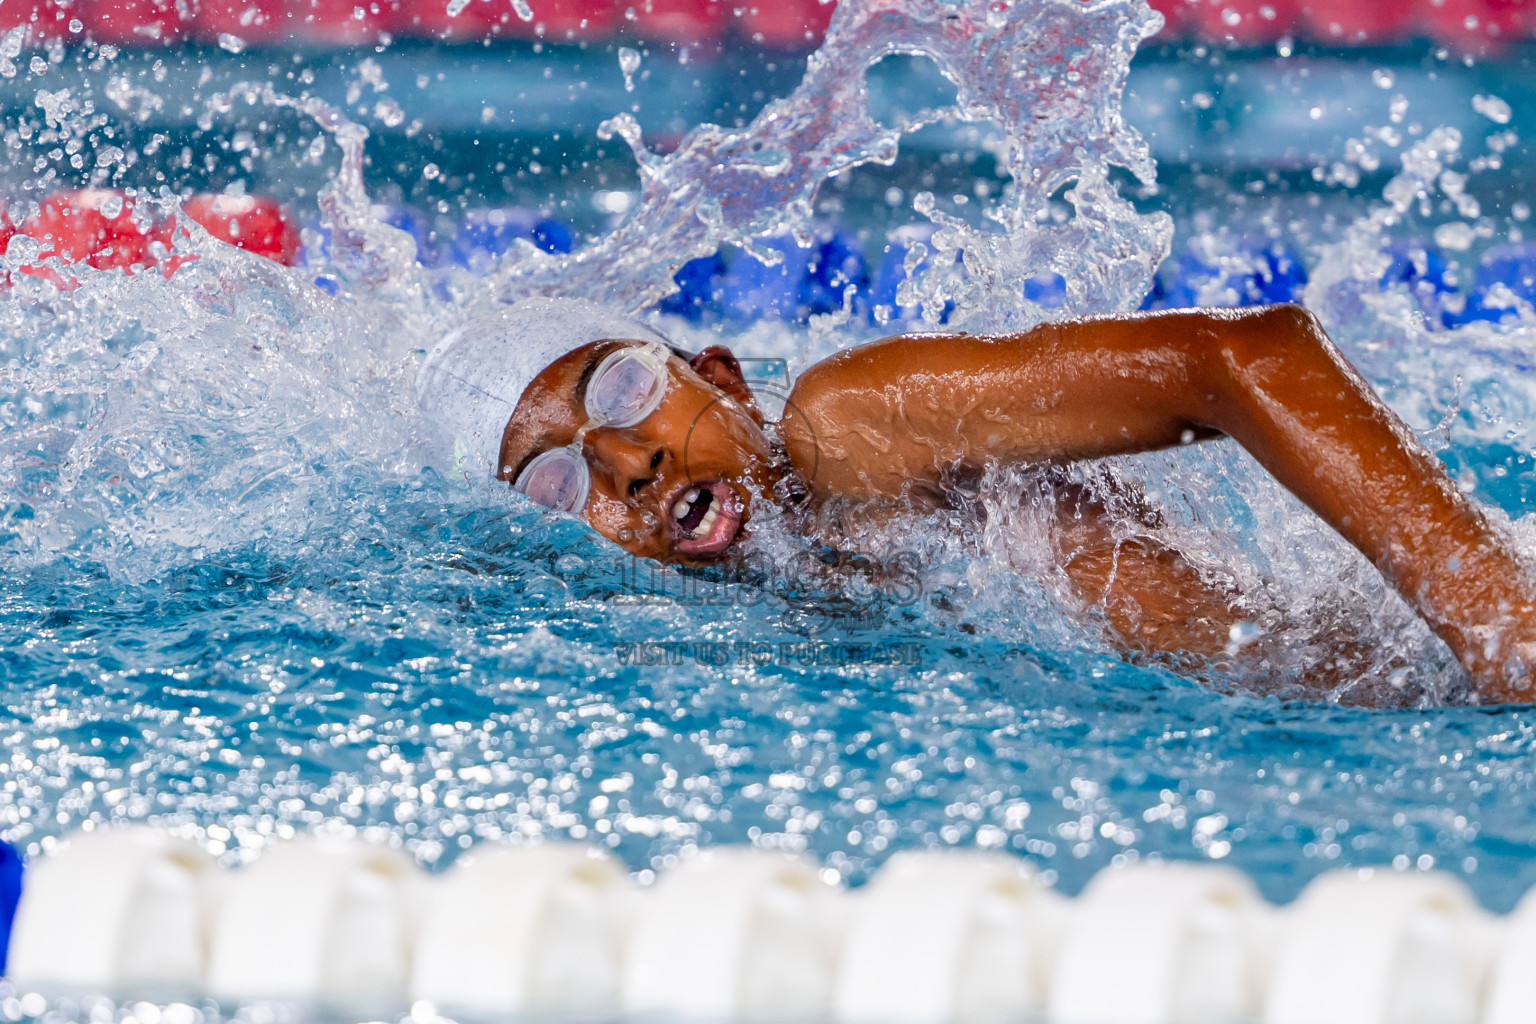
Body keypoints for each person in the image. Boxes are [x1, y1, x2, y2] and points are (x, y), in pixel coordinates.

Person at [416, 297, 1536, 704]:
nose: (627, 468)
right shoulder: (739, 611)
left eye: (620, 390)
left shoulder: (847, 427)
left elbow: (1244, 356)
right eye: (560, 484)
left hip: (1460, 669)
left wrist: (1499, 624)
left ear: (720, 374)